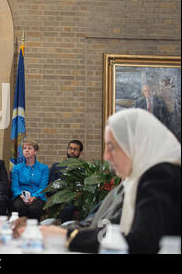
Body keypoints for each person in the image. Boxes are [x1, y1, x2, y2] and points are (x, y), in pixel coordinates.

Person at [39, 108, 181, 253]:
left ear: (135, 145)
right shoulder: (132, 182)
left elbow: (142, 241)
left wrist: (68, 236)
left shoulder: (160, 177)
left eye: (111, 147)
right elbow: (99, 226)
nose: (106, 156)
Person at [10, 138, 49, 220]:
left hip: (38, 197)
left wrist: (33, 197)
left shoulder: (44, 168)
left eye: (29, 148)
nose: (26, 150)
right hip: (20, 197)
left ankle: (33, 230)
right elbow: (14, 187)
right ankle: (20, 230)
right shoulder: (17, 168)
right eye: (24, 148)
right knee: (19, 207)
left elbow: (43, 187)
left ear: (35, 151)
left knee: (34, 209)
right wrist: (22, 196)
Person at [47, 140, 84, 222]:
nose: (72, 151)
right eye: (70, 148)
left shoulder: (83, 169)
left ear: (80, 152)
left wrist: (77, 195)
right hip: (58, 199)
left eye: (75, 149)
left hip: (74, 201)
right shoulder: (56, 167)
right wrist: (62, 196)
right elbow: (49, 189)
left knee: (69, 208)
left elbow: (84, 189)